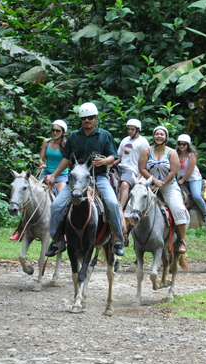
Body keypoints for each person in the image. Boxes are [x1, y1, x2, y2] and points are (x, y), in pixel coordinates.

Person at [43, 102, 125, 257]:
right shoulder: (74, 136)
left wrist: (104, 162)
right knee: (57, 206)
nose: (87, 120)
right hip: (76, 179)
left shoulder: (105, 135)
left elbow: (114, 156)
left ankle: (117, 239)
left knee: (113, 204)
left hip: (98, 176)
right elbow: (67, 158)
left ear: (95, 118)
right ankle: (57, 240)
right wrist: (54, 175)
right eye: (84, 118)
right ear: (80, 120)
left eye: (90, 118)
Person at [10, 119, 69, 241]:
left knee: (62, 202)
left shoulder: (66, 145)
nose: (54, 132)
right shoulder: (46, 142)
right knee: (29, 198)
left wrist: (54, 175)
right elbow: (41, 159)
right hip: (45, 174)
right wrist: (41, 164)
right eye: (53, 130)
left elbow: (67, 162)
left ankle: (63, 231)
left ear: (63, 132)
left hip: (61, 176)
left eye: (58, 130)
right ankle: (22, 229)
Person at [138, 126, 189, 254]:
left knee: (178, 208)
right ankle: (125, 234)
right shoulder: (147, 151)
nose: (159, 136)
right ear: (153, 136)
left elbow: (173, 171)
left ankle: (182, 240)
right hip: (150, 183)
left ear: (166, 137)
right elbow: (142, 168)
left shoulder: (172, 152)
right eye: (157, 134)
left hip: (169, 186)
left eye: (162, 134)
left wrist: (161, 184)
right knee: (133, 202)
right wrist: (153, 180)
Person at [175, 134, 206, 226]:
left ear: (188, 145)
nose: (182, 146)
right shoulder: (175, 153)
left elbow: (190, 170)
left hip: (193, 178)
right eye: (180, 144)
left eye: (184, 144)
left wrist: (182, 180)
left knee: (196, 196)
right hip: (179, 178)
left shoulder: (192, 155)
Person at [116, 119, 150, 211]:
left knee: (124, 185)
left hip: (132, 169)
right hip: (120, 166)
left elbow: (147, 161)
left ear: (137, 130)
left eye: (132, 129)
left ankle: (120, 210)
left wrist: (140, 175)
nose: (130, 131)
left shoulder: (143, 142)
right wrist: (109, 164)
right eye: (129, 129)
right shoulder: (125, 140)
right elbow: (119, 157)